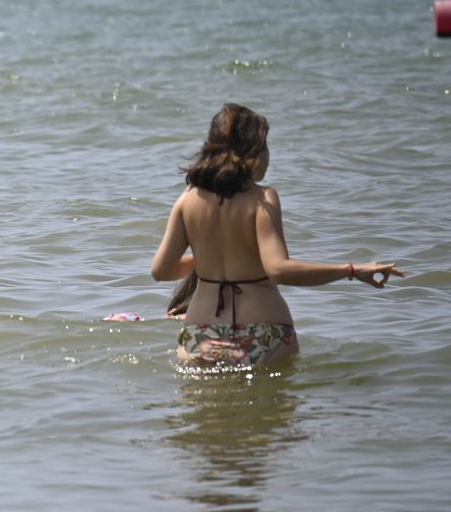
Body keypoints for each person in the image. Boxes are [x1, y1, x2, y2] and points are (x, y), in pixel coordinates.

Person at [151, 103, 404, 369]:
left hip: (199, 336)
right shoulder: (263, 198)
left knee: (204, 410)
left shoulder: (187, 200)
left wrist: (209, 254)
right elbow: (279, 270)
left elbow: (161, 270)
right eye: (266, 147)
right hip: (264, 334)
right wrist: (352, 269)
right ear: (254, 153)